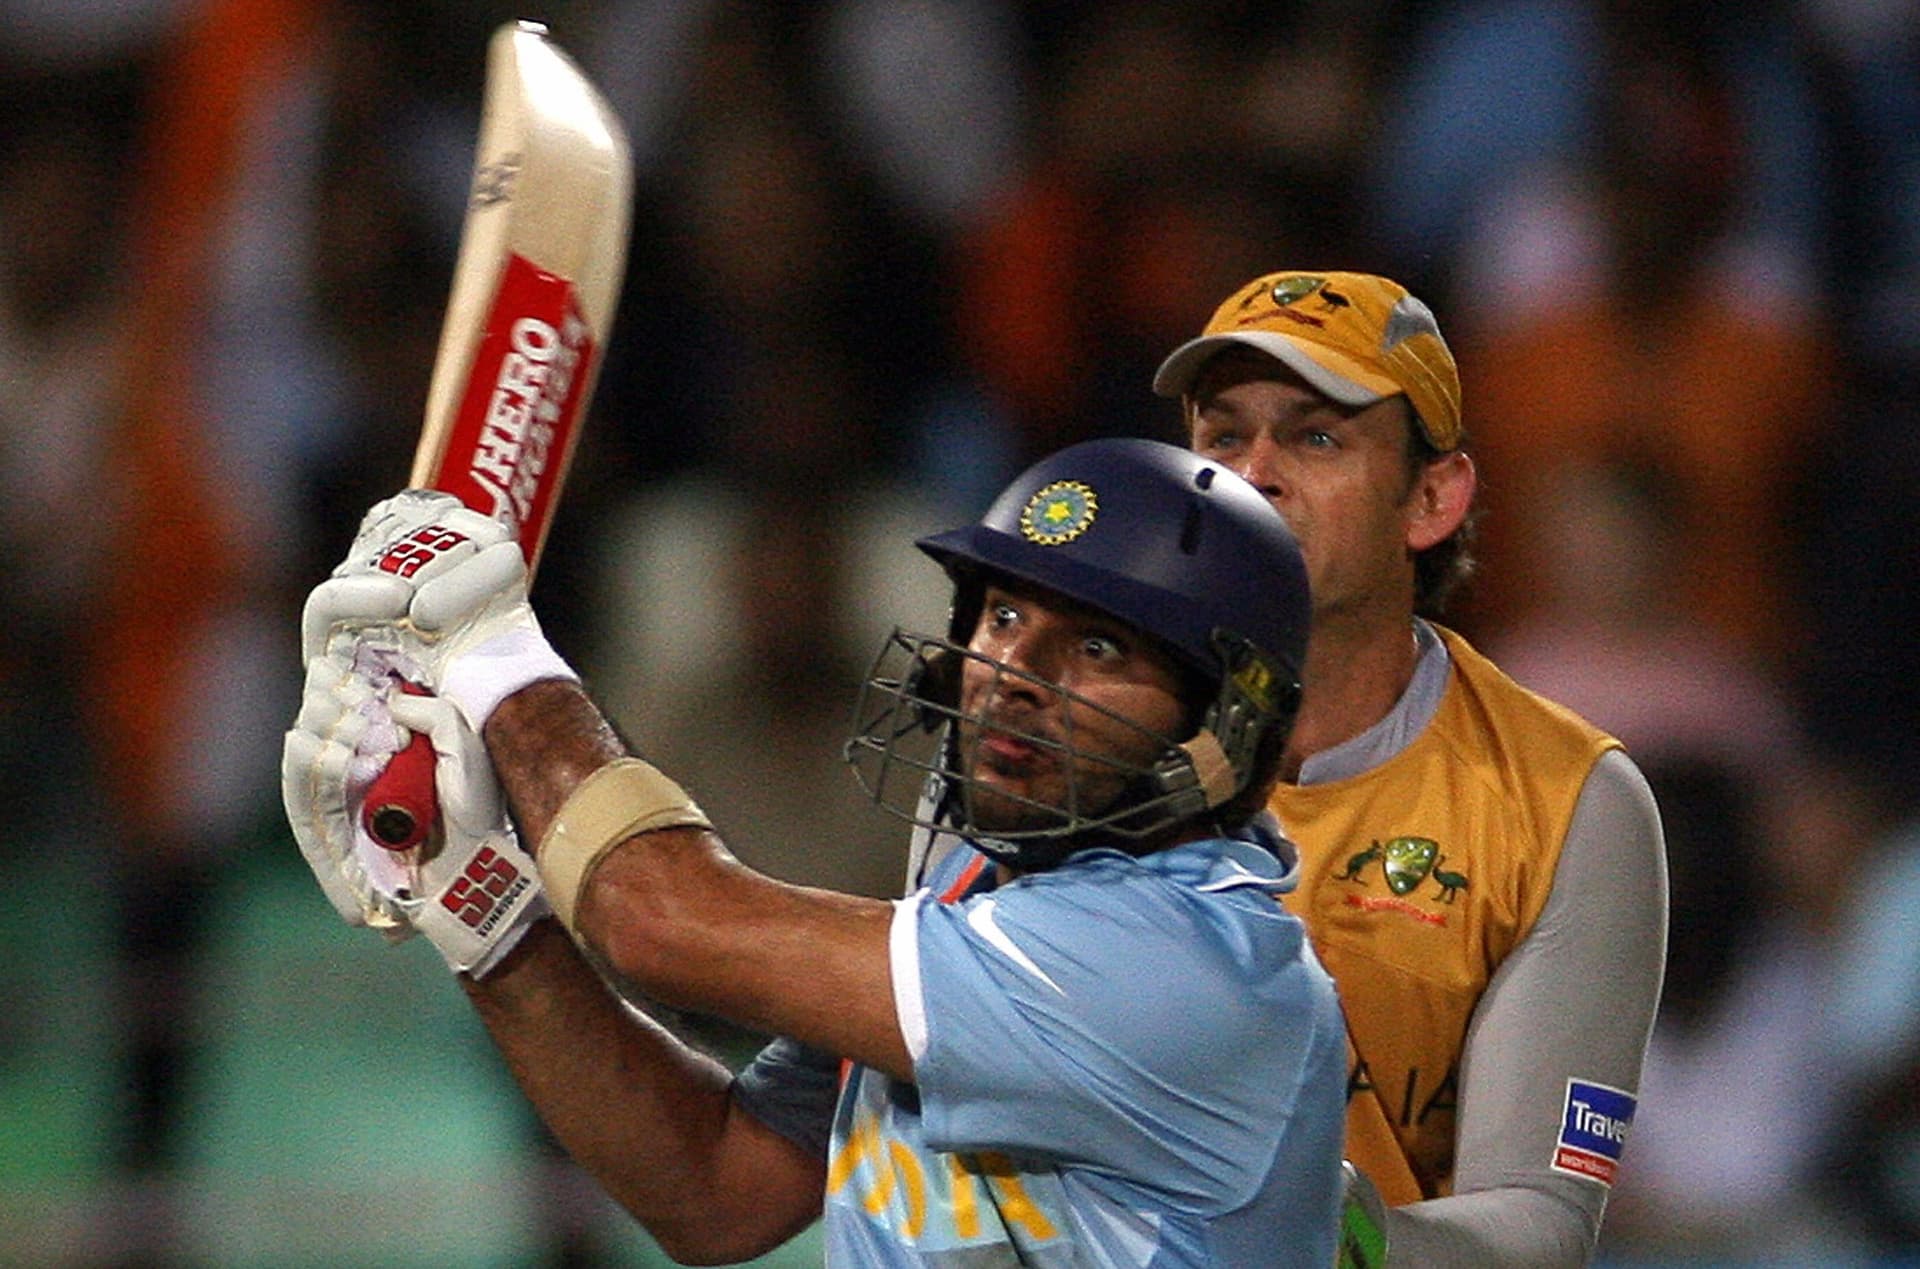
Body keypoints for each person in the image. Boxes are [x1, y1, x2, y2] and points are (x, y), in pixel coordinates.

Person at [282, 437, 1349, 1265]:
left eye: (1101, 646)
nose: (1016, 671)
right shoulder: (982, 886)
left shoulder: (1183, 972)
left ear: (1228, 728)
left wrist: (491, 651)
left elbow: (659, 915)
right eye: (1007, 615)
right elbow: (716, 1187)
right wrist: (488, 915)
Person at [1149, 270, 1670, 1266]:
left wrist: (1321, 1225)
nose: (1253, 474)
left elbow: (1540, 1223)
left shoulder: (1569, 806)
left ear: (1432, 497)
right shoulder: (1067, 739)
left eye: (1314, 437)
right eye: (1222, 437)